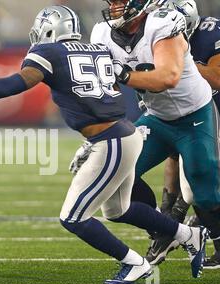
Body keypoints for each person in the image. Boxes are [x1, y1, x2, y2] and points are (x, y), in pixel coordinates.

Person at [0, 5, 208, 284]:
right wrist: (90, 142)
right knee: (117, 210)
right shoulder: (96, 49)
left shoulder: (48, 52)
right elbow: (110, 99)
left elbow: (13, 85)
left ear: (48, 29)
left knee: (73, 217)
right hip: (123, 132)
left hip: (110, 141)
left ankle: (135, 264)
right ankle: (187, 234)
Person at [92, 0, 220, 265]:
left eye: (120, 2)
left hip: (194, 115)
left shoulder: (163, 24)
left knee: (203, 190)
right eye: (112, 2)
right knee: (116, 169)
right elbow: (105, 90)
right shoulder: (101, 33)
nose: (114, 8)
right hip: (157, 118)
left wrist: (124, 75)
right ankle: (164, 229)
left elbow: (167, 78)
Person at [140, 0, 220, 269]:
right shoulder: (152, 34)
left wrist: (181, 64)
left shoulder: (210, 33)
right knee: (179, 165)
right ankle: (169, 222)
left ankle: (176, 225)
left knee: (202, 185)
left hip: (209, 109)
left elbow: (219, 78)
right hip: (178, 114)